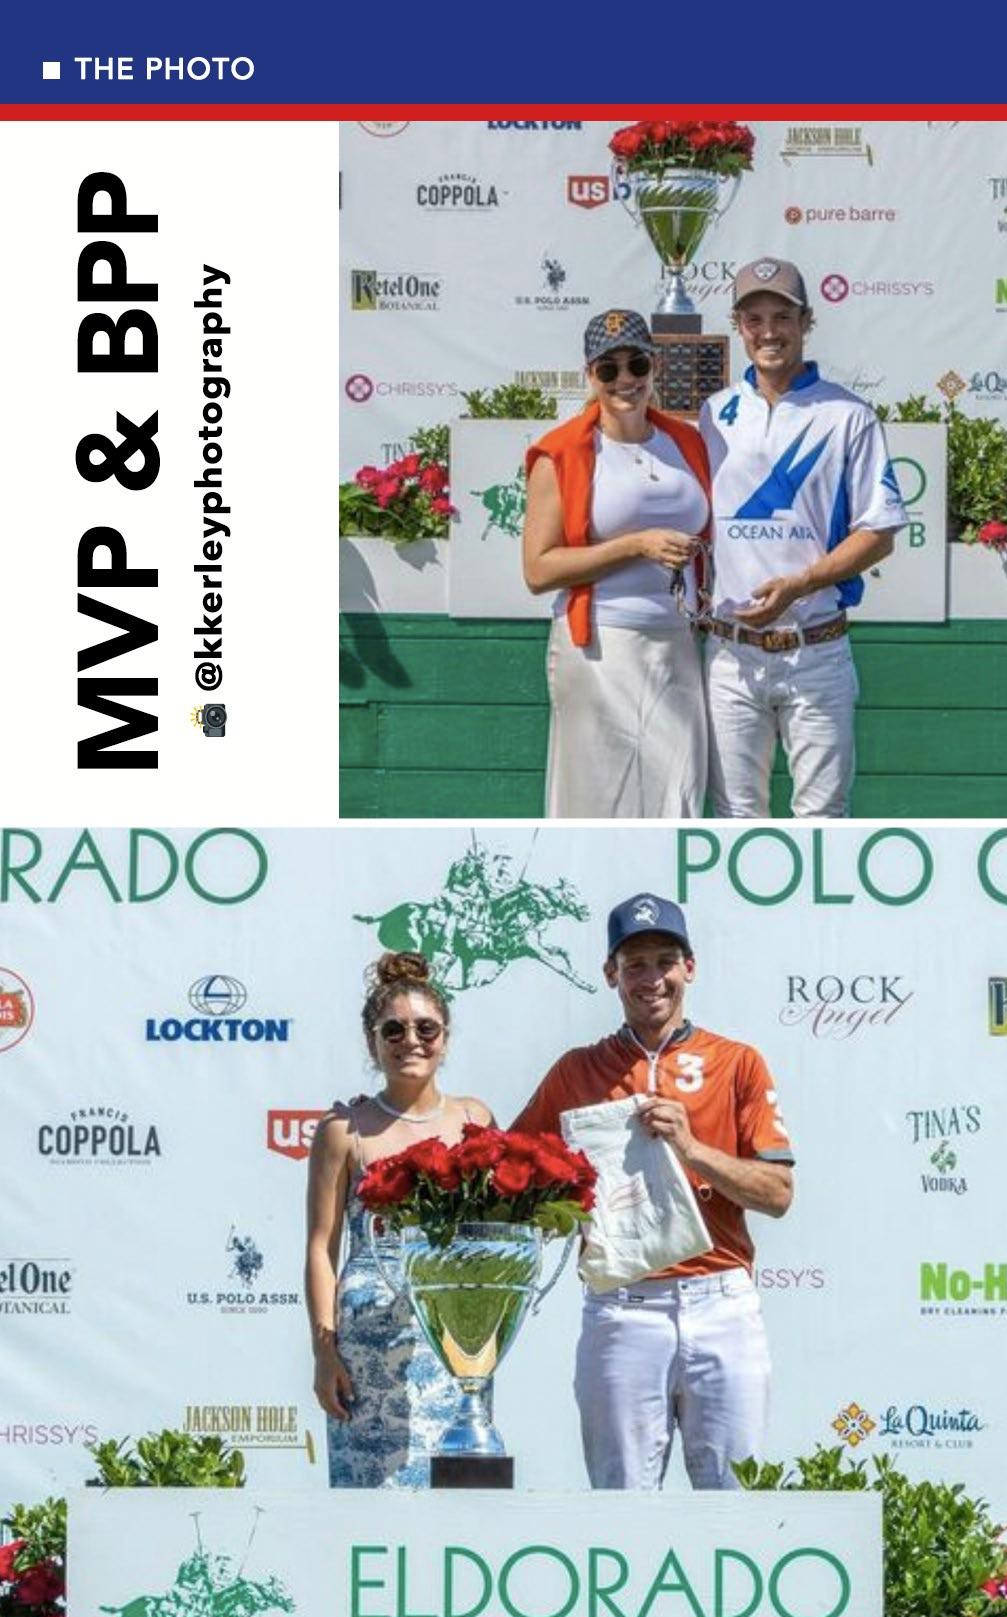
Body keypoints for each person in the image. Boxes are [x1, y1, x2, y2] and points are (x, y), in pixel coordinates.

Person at [512, 892, 794, 1490]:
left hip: (722, 1301)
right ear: (610, 973)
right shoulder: (576, 1070)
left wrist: (692, 1149)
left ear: (690, 967)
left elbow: (777, 1193)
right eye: (634, 964)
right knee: (622, 1508)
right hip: (622, 1305)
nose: (652, 979)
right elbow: (515, 1180)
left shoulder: (737, 1062)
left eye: (665, 961)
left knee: (735, 1503)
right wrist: (563, 1209)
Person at [699, 257, 909, 817]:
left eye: (782, 317)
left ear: (806, 322)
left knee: (823, 821)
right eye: (754, 319)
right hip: (730, 654)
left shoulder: (848, 414)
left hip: (815, 649)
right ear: (738, 326)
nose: (768, 332)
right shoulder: (713, 413)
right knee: (734, 820)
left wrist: (801, 583)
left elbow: (879, 531)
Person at [305, 951, 494, 1486]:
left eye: (426, 1028)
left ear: (445, 1038)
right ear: (373, 1043)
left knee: (460, 1496)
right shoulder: (343, 1129)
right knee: (372, 1502)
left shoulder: (475, 1118)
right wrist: (324, 1353)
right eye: (394, 1030)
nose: (411, 1040)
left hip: (456, 1335)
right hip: (368, 1343)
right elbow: (321, 1249)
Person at [522, 308, 713, 820]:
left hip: (676, 642)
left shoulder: (686, 441)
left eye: (636, 365)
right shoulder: (560, 452)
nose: (625, 379)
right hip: (601, 646)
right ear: (591, 375)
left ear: (655, 366)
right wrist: (634, 546)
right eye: (609, 368)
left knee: (679, 794)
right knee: (598, 799)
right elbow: (539, 570)